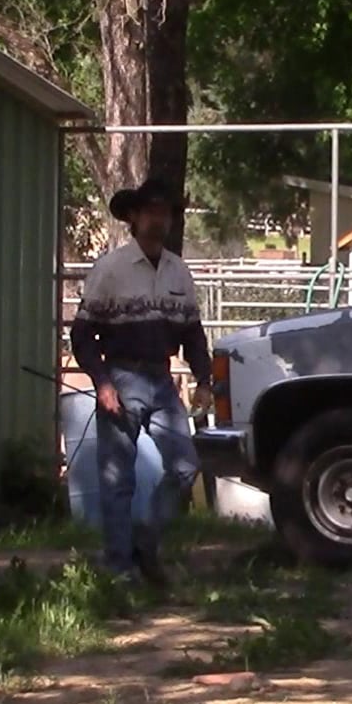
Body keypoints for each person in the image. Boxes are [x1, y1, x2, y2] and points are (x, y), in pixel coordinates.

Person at [68, 178, 212, 586]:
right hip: (120, 374)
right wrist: (102, 382)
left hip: (161, 379)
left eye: (164, 212)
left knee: (185, 465)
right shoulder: (110, 269)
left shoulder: (178, 271)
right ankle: (120, 566)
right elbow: (82, 333)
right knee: (117, 478)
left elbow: (192, 332)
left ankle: (144, 544)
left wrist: (202, 377)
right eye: (149, 211)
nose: (157, 219)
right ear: (132, 217)